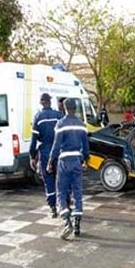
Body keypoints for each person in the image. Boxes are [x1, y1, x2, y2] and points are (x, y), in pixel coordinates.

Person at [47, 98, 89, 240]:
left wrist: (50, 161)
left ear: (64, 107)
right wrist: (86, 160)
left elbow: (56, 145)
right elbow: (86, 146)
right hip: (77, 161)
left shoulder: (61, 124)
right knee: (77, 193)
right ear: (75, 108)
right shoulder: (82, 125)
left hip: (64, 161)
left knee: (61, 192)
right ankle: (77, 224)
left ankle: (66, 222)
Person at [30, 93, 63, 218]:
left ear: (41, 102)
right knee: (60, 179)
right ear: (50, 102)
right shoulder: (58, 116)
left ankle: (53, 207)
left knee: (48, 179)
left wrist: (32, 156)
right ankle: (63, 204)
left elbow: (33, 141)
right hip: (58, 151)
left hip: (45, 152)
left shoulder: (38, 117)